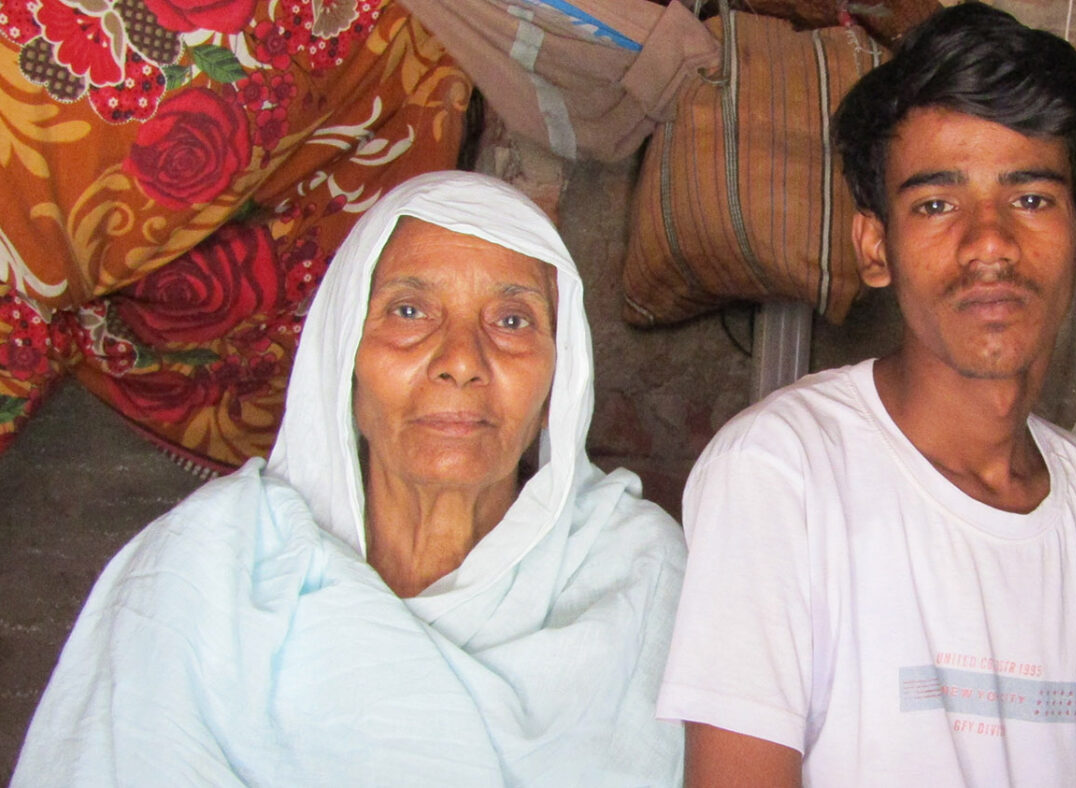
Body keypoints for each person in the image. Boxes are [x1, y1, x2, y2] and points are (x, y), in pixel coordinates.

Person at [656, 4, 1076, 786]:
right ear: (875, 247)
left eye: (1029, 198)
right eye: (936, 203)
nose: (988, 241)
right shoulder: (782, 471)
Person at [14, 172, 685, 786]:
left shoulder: (634, 574)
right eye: (410, 313)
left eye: (511, 322)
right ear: (344, 350)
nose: (461, 361)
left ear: (560, 375)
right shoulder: (207, 567)